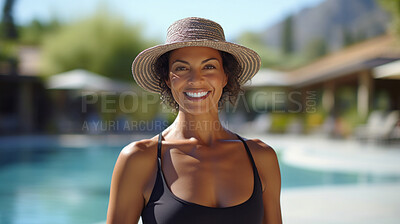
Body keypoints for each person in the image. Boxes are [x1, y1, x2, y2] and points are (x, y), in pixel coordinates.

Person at [107, 17, 282, 224]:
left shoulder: (261, 157)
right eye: (181, 68)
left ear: (225, 76)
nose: (196, 79)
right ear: (167, 78)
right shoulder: (139, 159)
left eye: (209, 67)